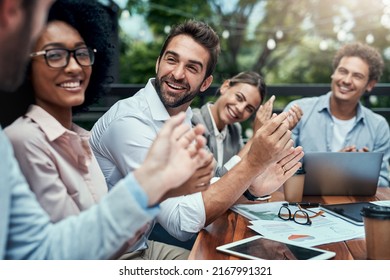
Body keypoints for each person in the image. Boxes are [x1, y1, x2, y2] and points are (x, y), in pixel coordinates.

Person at [0, 0, 209, 259]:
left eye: (82, 53)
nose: (74, 66)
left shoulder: (81, 138)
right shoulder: (21, 140)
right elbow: (66, 254)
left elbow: (105, 234)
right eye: (54, 55)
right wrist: (153, 186)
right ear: (26, 65)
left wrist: (158, 186)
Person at [90, 20, 304, 254]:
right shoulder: (130, 123)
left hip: (141, 245)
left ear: (205, 83)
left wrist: (252, 188)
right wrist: (253, 164)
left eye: (192, 68)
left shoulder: (183, 117)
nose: (177, 74)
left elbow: (206, 185)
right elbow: (180, 222)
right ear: (158, 62)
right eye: (172, 60)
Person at [284, 42, 390, 187]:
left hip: (355, 206)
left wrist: (362, 171)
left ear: (370, 84)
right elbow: (280, 168)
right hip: (303, 206)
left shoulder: (379, 126)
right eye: (343, 71)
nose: (346, 80)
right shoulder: (298, 111)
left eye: (357, 76)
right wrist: (335, 168)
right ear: (334, 73)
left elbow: (384, 182)